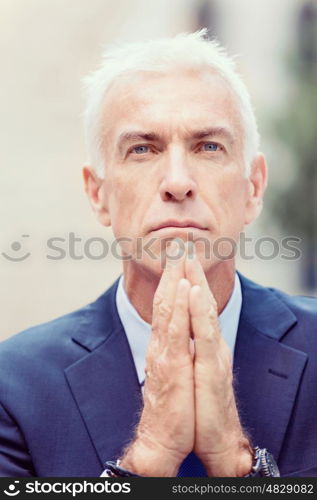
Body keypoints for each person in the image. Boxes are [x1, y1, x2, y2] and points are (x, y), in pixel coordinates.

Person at [0, 30, 316, 478]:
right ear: (98, 195)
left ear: (254, 187)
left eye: (208, 146)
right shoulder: (14, 388)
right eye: (143, 149)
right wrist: (152, 454)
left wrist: (233, 460)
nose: (177, 181)